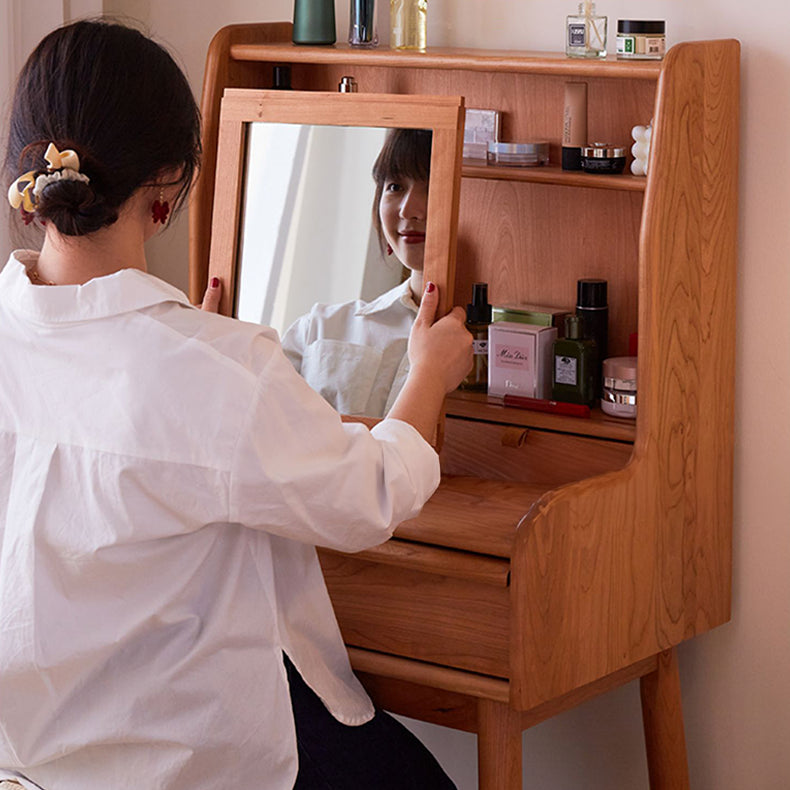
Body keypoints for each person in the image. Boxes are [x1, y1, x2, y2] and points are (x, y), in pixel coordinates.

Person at [0, 20, 472, 790]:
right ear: (167, 188)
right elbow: (373, 494)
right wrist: (431, 372)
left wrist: (201, 354)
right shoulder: (212, 369)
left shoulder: (195, 364)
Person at [281, 129, 431, 418]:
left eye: (432, 187)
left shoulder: (501, 345)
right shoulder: (322, 327)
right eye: (395, 186)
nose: (408, 210)